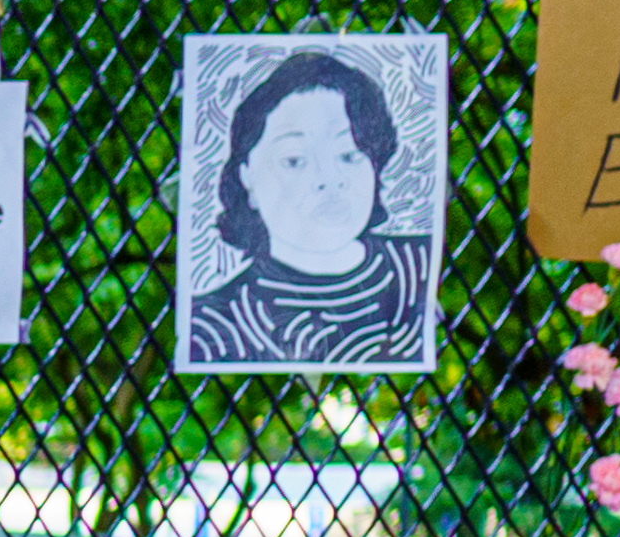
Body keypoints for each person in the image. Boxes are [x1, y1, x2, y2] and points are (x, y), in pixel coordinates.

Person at [177, 51, 435, 370]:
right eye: (295, 160)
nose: (329, 180)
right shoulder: (213, 324)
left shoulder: (424, 265)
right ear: (246, 177)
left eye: (349, 154)